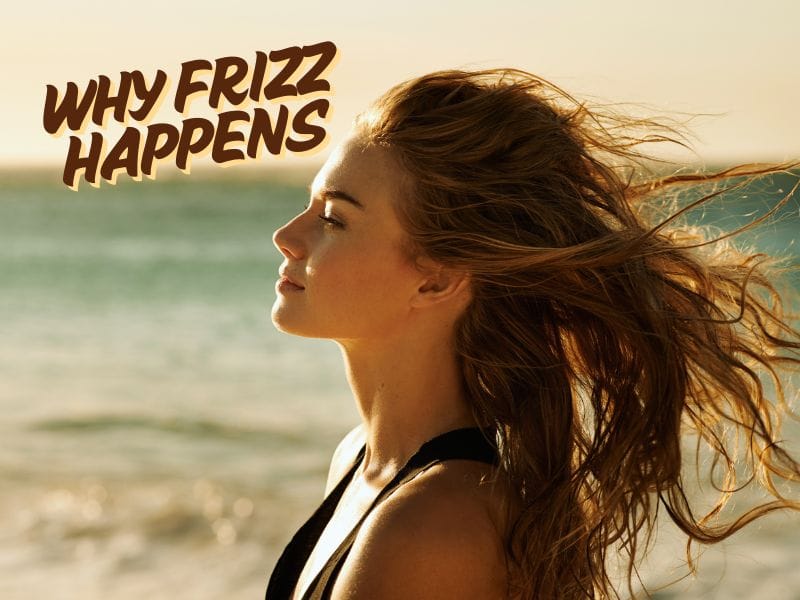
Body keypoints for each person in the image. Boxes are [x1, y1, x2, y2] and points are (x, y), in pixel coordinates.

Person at [265, 68, 800, 600]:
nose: (286, 235)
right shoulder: (362, 460)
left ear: (436, 279)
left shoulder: (433, 529)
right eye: (310, 207)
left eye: (333, 218)